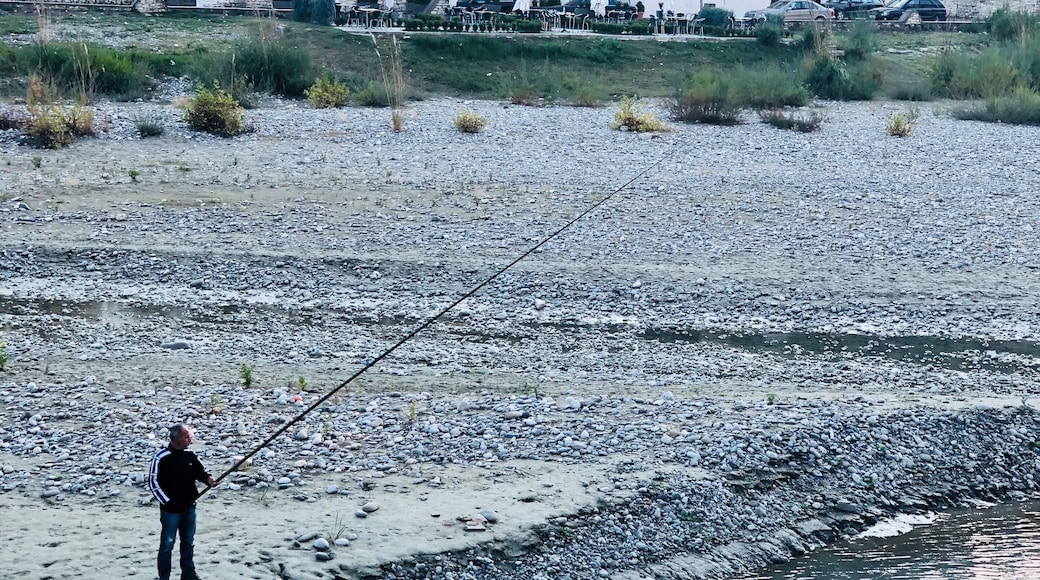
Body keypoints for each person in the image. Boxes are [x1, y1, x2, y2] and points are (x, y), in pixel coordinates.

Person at [148, 424, 217, 580]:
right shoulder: (161, 458)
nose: (190, 440)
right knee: (167, 544)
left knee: (188, 541)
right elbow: (153, 482)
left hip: (189, 507)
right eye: (186, 437)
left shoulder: (190, 454)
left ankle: (188, 572)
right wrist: (167, 502)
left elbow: (200, 472)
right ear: (176, 440)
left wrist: (208, 480)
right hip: (170, 512)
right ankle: (164, 576)